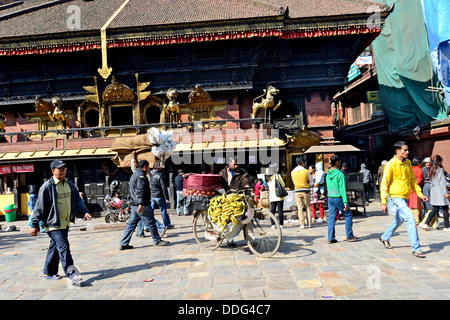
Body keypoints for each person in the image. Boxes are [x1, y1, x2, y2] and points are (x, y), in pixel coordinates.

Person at [29, 159, 92, 284]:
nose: (63, 171)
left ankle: (48, 271)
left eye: (64, 169)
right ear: (53, 171)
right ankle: (72, 274)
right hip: (53, 224)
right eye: (60, 169)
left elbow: (77, 200)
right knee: (64, 247)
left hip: (65, 222)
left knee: (55, 247)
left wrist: (85, 211)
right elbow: (39, 207)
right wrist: (34, 224)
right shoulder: (47, 187)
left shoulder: (69, 184)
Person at [379, 141, 428, 258]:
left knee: (399, 219)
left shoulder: (408, 163)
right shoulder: (391, 164)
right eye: (404, 150)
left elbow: (412, 181)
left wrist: (420, 194)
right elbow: (384, 184)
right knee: (410, 218)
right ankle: (416, 249)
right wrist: (383, 201)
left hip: (405, 196)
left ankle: (385, 237)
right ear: (397, 151)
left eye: (407, 150)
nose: (407, 152)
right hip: (396, 196)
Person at [120, 160, 169, 250]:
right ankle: (157, 240)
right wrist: (141, 203)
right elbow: (140, 190)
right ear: (144, 167)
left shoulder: (134, 174)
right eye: (148, 166)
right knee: (151, 223)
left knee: (131, 224)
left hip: (134, 204)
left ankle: (124, 243)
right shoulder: (141, 176)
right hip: (141, 204)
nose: (149, 168)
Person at [326, 155, 358, 244]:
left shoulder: (328, 174)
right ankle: (349, 235)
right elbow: (342, 189)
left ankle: (330, 237)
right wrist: (345, 202)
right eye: (339, 162)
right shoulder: (340, 174)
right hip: (338, 197)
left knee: (331, 218)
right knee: (348, 215)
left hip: (331, 197)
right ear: (337, 163)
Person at [420, 155, 450, 231]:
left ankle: (426, 224)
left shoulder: (430, 169)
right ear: (439, 161)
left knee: (435, 209)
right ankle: (446, 227)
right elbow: (442, 183)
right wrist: (446, 193)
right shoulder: (440, 170)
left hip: (433, 191)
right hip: (440, 191)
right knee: (445, 208)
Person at [151, 162, 174, 231]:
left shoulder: (151, 174)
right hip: (159, 195)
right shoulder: (160, 175)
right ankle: (167, 224)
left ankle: (147, 225)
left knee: (150, 211)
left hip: (153, 195)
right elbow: (164, 187)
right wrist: (167, 197)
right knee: (163, 211)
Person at [291, 156, 313, 228]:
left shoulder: (292, 172)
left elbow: (294, 182)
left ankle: (302, 224)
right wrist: (308, 184)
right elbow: (311, 181)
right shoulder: (306, 171)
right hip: (306, 190)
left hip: (297, 191)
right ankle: (309, 223)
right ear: (302, 162)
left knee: (300, 208)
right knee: (308, 207)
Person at [409, 157, 424, 224]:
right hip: (415, 189)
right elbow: (418, 181)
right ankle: (416, 220)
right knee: (416, 205)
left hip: (409, 188)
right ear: (419, 163)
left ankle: (420, 219)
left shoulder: (411, 169)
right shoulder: (419, 170)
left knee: (412, 204)